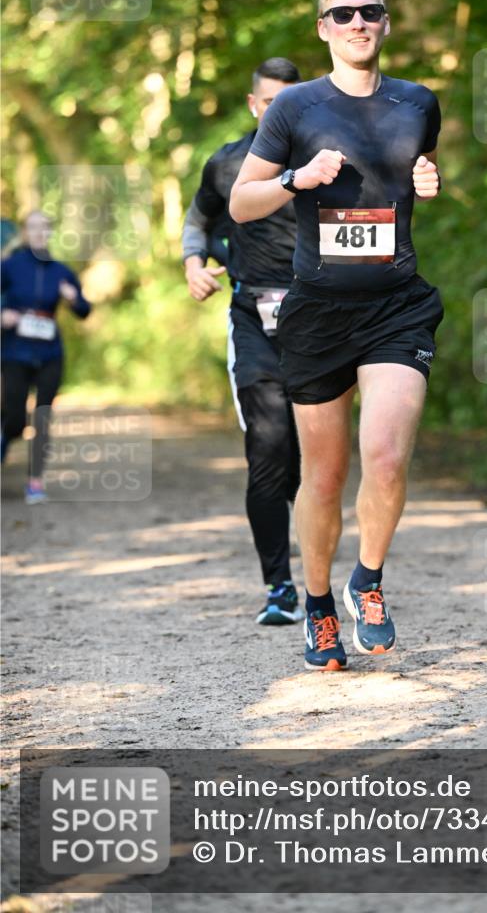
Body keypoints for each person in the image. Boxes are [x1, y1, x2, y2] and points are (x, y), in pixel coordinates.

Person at [230, 0, 443, 672]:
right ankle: (318, 605)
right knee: (322, 478)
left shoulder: (417, 102)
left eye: (369, 12)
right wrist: (297, 180)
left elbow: (414, 170)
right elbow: (241, 203)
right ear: (323, 27)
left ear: (385, 22)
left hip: (395, 304)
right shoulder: (291, 108)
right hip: (317, 310)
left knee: (385, 455)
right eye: (342, 13)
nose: (357, 23)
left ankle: (368, 582)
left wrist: (427, 179)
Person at [182, 57, 304, 625]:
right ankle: (279, 586)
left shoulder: (329, 160)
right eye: (271, 102)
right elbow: (199, 218)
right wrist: (192, 262)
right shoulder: (227, 163)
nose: (281, 111)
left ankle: (317, 572)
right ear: (255, 105)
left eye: (292, 101)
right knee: (268, 449)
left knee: (308, 460)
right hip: (252, 318)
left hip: (322, 324)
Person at [1, 210, 91, 503]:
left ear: (50, 233)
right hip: (15, 351)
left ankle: (35, 482)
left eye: (44, 228)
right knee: (14, 419)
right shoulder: (10, 266)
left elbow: (84, 311)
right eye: (33, 228)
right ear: (25, 233)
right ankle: (6, 438)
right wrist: (4, 316)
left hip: (50, 353)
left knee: (42, 416)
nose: (39, 233)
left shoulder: (61, 272)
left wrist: (73, 298)